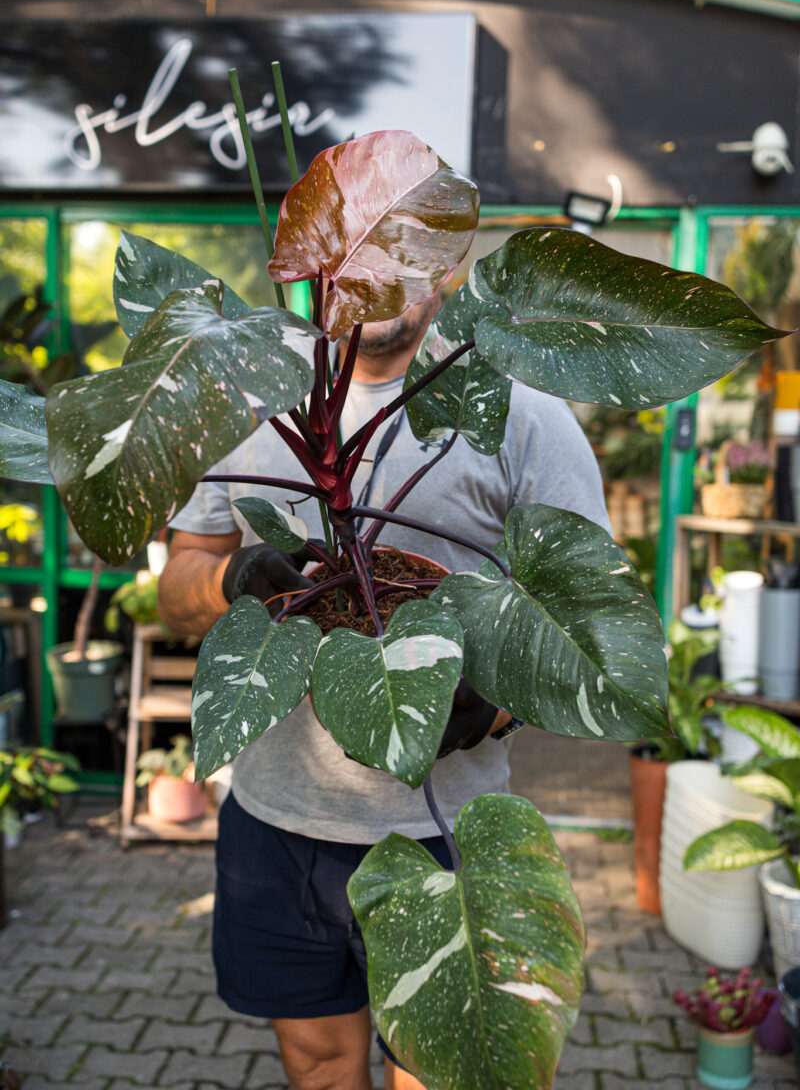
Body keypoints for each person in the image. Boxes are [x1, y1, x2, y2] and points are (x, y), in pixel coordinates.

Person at [158, 291, 611, 1090]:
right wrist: (231, 576)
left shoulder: (516, 408)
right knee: (319, 1064)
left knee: (440, 1073)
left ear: (445, 267)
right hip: (278, 821)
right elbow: (178, 585)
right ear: (317, 262)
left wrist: (494, 705)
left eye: (406, 243)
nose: (379, 274)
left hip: (445, 832)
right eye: (358, 244)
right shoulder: (245, 393)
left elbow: (587, 623)